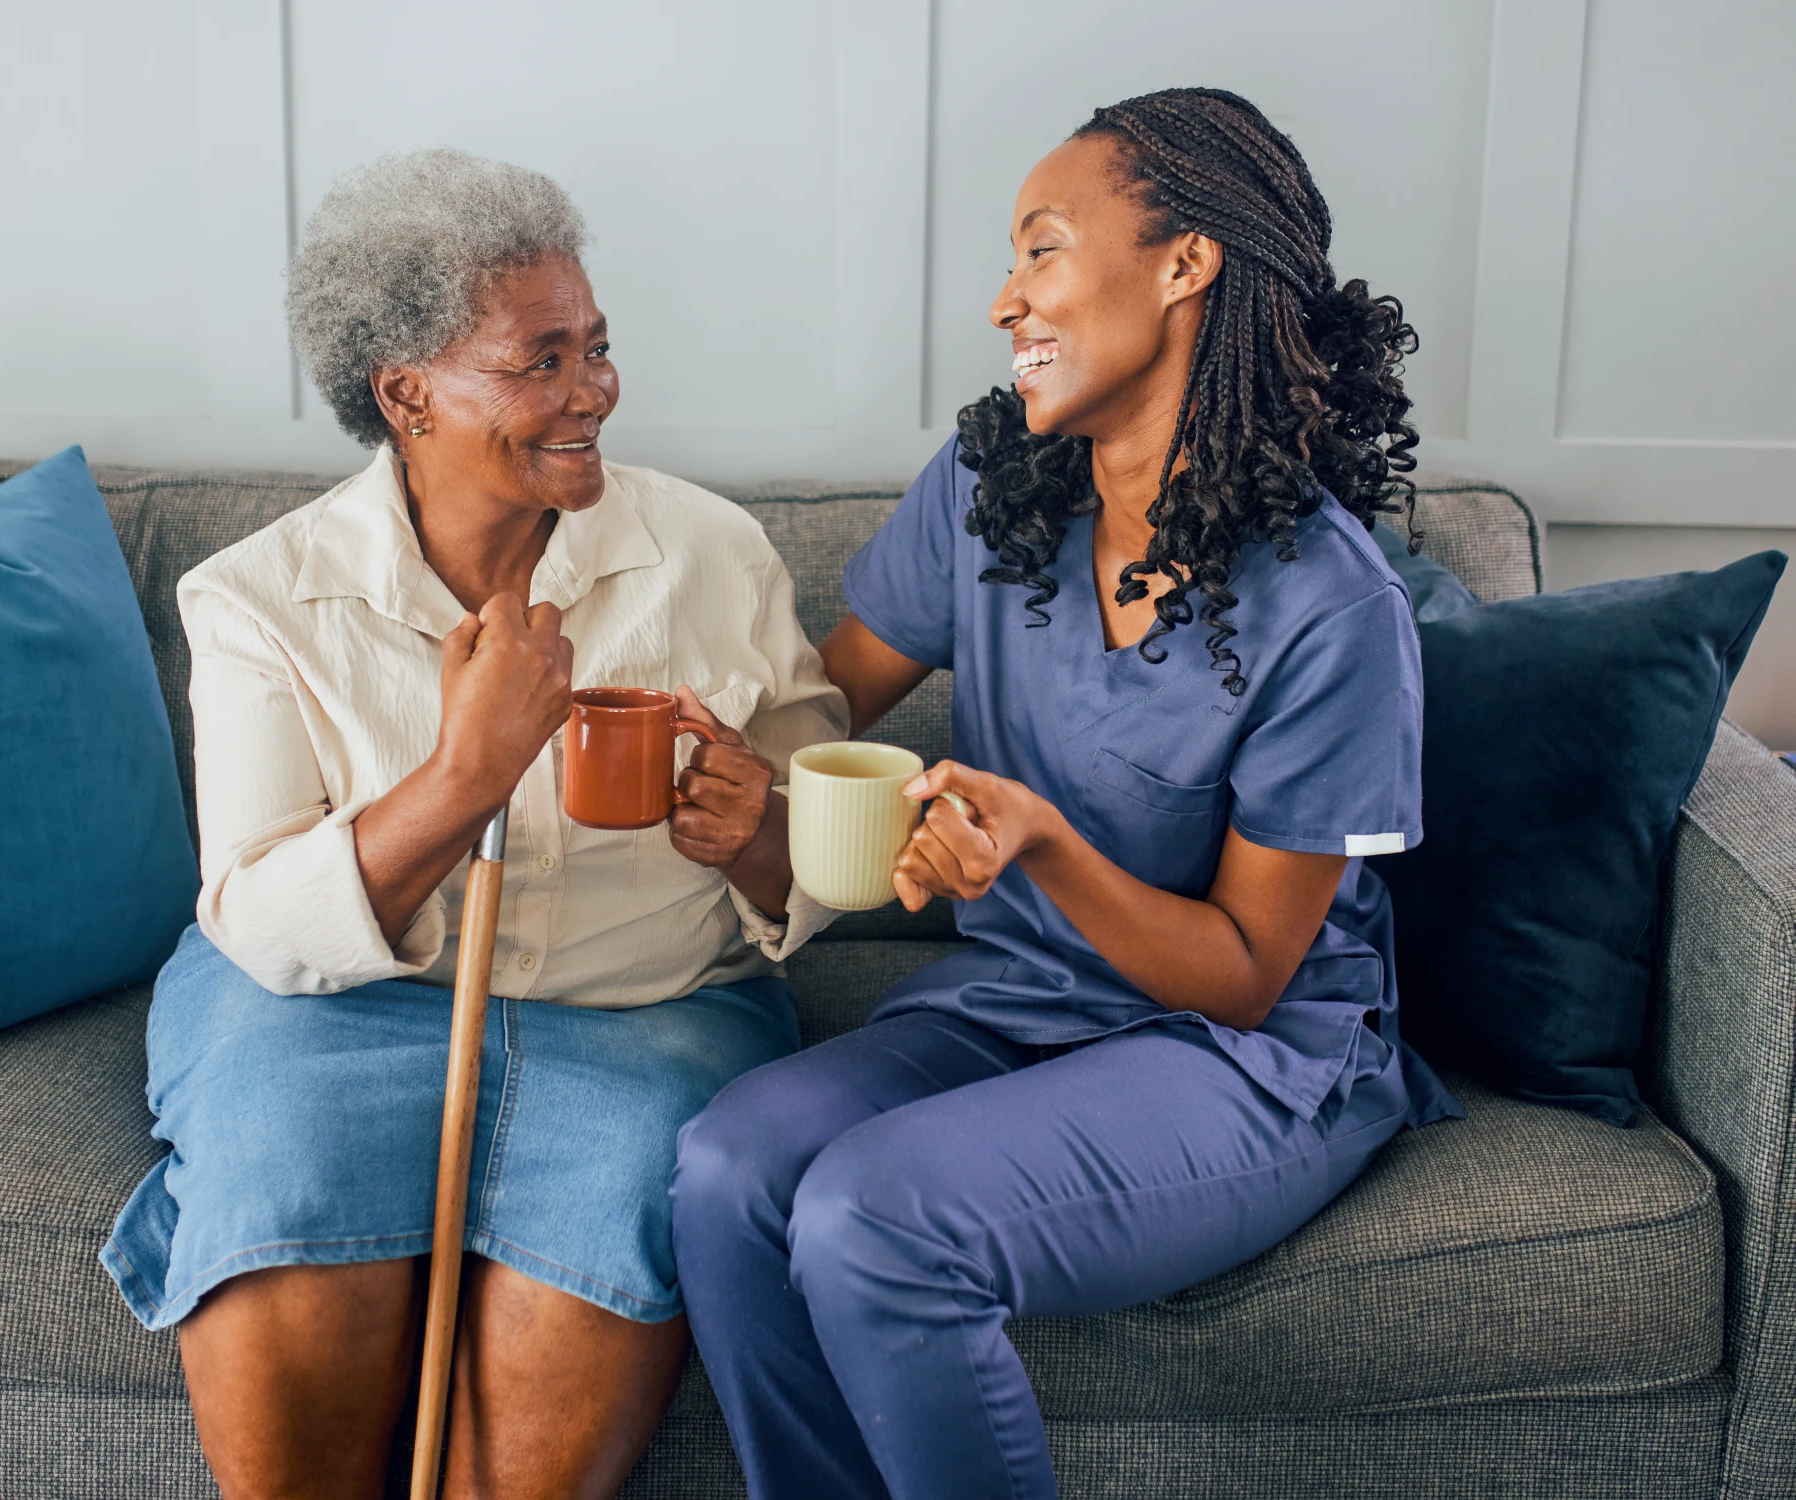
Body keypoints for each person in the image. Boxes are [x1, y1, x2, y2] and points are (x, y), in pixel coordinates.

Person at [670, 87, 1463, 1500]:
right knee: (730, 1168)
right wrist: (737, 789)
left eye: (1039, 249)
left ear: (1183, 263)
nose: (1002, 299)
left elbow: (1238, 974)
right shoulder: (994, 487)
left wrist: (1035, 848)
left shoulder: (1333, 611)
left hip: (1248, 1055)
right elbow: (815, 722)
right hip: (1016, 1010)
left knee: (875, 1216)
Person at [100, 150, 846, 1500]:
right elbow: (267, 924)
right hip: (325, 1010)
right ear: (406, 393)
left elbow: (820, 870)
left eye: (598, 349)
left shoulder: (714, 556)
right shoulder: (259, 598)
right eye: (539, 360)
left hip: (645, 1009)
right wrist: (463, 776)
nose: (592, 393)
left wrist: (754, 831)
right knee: (279, 1210)